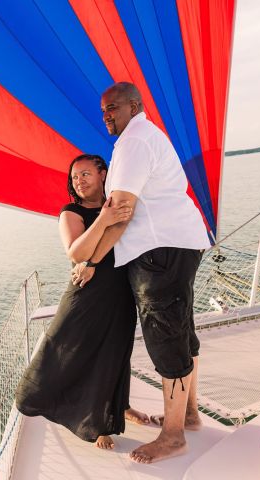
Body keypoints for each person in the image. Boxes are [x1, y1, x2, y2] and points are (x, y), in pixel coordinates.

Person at [73, 82, 211, 463]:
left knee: (166, 336)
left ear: (134, 106)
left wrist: (91, 261)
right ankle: (189, 414)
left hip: (159, 250)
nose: (106, 116)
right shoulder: (146, 137)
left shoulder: (134, 142)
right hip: (178, 243)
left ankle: (173, 435)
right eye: (103, 111)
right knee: (181, 330)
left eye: (112, 108)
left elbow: (120, 211)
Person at [15, 153, 150, 450]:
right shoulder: (70, 212)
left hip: (121, 290)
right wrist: (103, 219)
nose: (79, 181)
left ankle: (119, 409)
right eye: (75, 177)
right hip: (86, 293)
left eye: (85, 174)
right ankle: (95, 422)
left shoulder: (118, 201)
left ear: (103, 174)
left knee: (116, 353)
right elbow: (76, 252)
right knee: (64, 347)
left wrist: (109, 216)